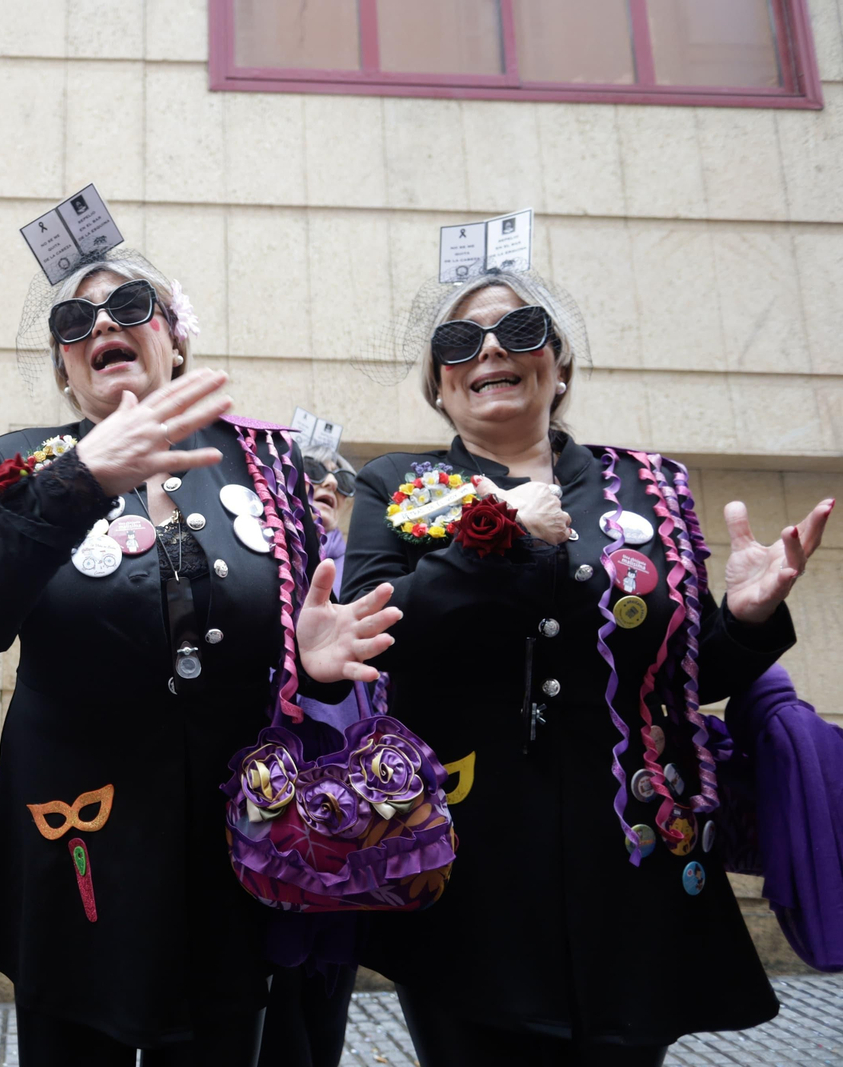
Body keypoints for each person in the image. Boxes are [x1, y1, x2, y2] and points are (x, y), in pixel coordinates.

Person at [341, 266, 834, 1066]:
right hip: (470, 864)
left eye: (521, 329)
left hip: (632, 863)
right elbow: (376, 633)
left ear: (559, 364)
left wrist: (745, 618)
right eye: (460, 340)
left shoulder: (648, 483)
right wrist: (491, 535)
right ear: (440, 382)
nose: (492, 348)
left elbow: (681, 671)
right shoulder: (396, 484)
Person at [0, 250, 400, 1067]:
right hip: (74, 840)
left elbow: (295, 620)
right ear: (65, 369)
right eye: (74, 322)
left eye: (130, 304)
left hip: (231, 849)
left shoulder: (266, 459)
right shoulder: (25, 459)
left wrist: (308, 659)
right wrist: (77, 479)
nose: (102, 324)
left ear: (174, 338)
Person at [258, 444, 362, 1067]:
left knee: (325, 1004)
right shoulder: (259, 560)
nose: (325, 482)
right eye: (309, 473)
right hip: (264, 801)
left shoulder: (364, 562)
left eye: (339, 477)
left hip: (354, 803)